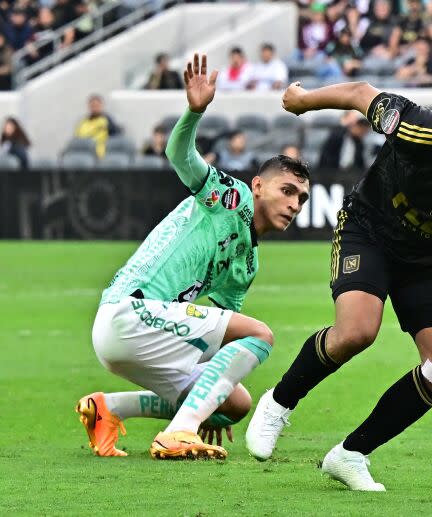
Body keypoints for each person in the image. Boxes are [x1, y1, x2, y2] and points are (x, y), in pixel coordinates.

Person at [245, 82, 432, 491]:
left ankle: (351, 454)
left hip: (431, 259)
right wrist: (303, 102)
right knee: (357, 332)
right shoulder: (420, 128)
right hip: (368, 231)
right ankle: (279, 402)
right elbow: (358, 93)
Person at [75, 54, 311, 460]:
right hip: (129, 313)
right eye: (287, 190)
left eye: (302, 198)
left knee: (235, 403)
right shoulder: (231, 198)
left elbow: (223, 348)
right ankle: (179, 432)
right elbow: (180, 156)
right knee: (261, 334)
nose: (295, 204)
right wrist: (194, 111)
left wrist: (213, 403)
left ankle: (108, 408)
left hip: (135, 337)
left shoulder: (247, 263)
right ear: (257, 186)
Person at [74, 94, 121, 158]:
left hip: (100, 153)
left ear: (101, 106)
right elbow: (76, 138)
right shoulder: (83, 122)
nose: (94, 108)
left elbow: (116, 135)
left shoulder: (106, 120)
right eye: (92, 105)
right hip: (83, 151)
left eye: (97, 105)